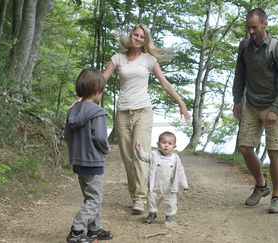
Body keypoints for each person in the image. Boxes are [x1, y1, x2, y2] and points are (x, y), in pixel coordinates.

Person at [102, 24, 191, 215]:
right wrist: (84, 99)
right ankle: (135, 194)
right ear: (130, 37)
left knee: (139, 154)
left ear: (145, 40)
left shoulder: (149, 60)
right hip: (123, 113)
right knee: (127, 158)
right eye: (136, 35)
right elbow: (101, 81)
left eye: (142, 36)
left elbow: (165, 84)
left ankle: (141, 199)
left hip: (143, 112)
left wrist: (181, 104)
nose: (139, 38)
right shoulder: (118, 59)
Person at [232, 8, 278, 214]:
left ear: (265, 24)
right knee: (245, 147)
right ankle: (261, 186)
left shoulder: (277, 48)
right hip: (251, 103)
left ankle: (277, 197)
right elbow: (240, 73)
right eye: (248, 27)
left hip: (273, 105)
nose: (250, 31)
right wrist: (237, 100)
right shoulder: (244, 46)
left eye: (254, 27)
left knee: (275, 151)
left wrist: (276, 109)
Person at [64, 67, 113, 242]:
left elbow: (66, 135)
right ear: (98, 90)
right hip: (93, 162)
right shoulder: (97, 112)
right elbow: (100, 137)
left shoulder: (72, 111)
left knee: (90, 196)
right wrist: (105, 149)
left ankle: (95, 228)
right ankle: (78, 229)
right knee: (95, 199)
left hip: (78, 162)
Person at [134, 131, 188, 225]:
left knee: (171, 202)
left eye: (169, 143)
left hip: (170, 186)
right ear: (158, 144)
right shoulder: (154, 155)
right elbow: (144, 157)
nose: (166, 145)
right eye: (163, 143)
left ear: (174, 146)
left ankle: (170, 216)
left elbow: (180, 172)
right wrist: (139, 150)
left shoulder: (175, 158)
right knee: (152, 200)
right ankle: (152, 214)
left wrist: (184, 185)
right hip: (155, 185)